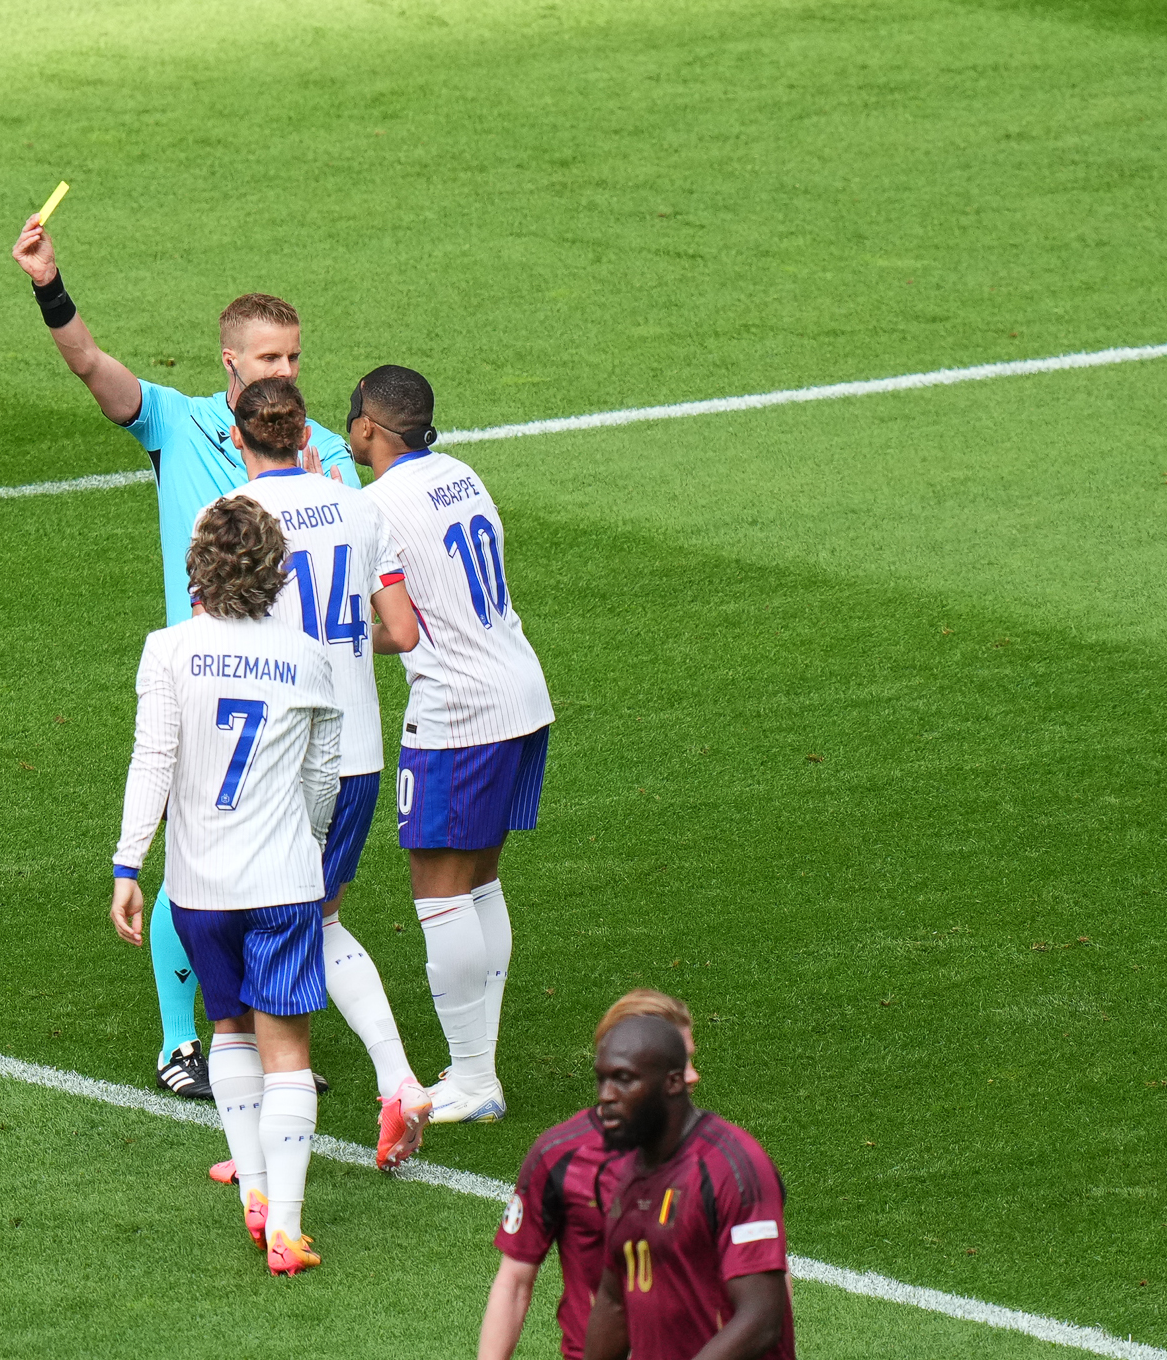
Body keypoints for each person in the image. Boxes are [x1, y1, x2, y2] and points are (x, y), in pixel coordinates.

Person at [13, 212, 360, 1100]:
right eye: (270, 358)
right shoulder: (177, 422)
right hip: (203, 677)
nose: (286, 372)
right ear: (231, 365)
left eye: (295, 357)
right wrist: (48, 283)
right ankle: (183, 1043)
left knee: (289, 866)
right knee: (192, 863)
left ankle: (267, 1046)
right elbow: (93, 367)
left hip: (290, 685)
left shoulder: (322, 453)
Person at [200, 376, 433, 1169]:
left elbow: (216, 644)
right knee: (318, 919)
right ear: (306, 438)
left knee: (259, 920)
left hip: (278, 756)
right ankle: (398, 1080)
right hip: (359, 750)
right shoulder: (361, 508)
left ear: (240, 438)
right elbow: (399, 630)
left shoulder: (233, 518)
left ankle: (262, 1135)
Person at [109, 495, 340, 1275]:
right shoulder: (310, 658)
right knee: (289, 1056)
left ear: (196, 567)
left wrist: (127, 864)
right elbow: (322, 778)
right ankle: (288, 1227)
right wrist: (305, 847)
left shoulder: (166, 650)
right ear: (278, 571)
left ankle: (254, 1192)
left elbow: (154, 760)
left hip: (200, 889)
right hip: (281, 884)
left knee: (230, 1031)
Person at [353, 365, 554, 1123]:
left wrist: (338, 638)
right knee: (479, 884)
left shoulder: (374, 510)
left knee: (440, 893)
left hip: (458, 713)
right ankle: (478, 1067)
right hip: (520, 693)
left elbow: (398, 629)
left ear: (368, 427)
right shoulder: (461, 475)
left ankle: (473, 1080)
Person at [477, 991, 695, 1359]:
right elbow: (514, 1282)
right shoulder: (561, 1154)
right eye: (681, 1061)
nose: (693, 1075)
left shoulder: (723, 1157)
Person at [583, 998, 795, 1360]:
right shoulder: (629, 1173)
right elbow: (615, 1300)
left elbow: (761, 1319)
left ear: (672, 1082)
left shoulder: (732, 1167)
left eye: (623, 1080)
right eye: (603, 1079)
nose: (606, 1097)